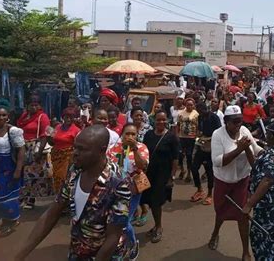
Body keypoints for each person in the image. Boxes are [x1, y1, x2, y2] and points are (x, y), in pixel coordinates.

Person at [15, 125, 133, 261]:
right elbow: (52, 213)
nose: (74, 153)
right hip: (77, 252)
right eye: (75, 147)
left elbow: (113, 236)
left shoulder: (119, 183)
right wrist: (21, 253)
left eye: (82, 149)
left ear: (101, 151)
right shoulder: (75, 171)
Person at [208, 105, 262, 261]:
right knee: (221, 212)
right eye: (235, 121)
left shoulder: (244, 131)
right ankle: (215, 233)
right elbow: (217, 161)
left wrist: (265, 153)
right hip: (224, 181)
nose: (238, 124)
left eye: (240, 121)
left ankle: (246, 251)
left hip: (242, 181)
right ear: (226, 122)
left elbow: (255, 148)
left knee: (243, 215)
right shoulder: (218, 135)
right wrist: (239, 149)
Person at [243, 118, 274, 261]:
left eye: (269, 132)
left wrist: (249, 204)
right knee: (272, 241)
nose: (267, 134)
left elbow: (267, 180)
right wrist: (246, 149)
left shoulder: (272, 155)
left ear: (272, 135)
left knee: (262, 243)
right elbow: (258, 170)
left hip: (270, 207)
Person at [107, 123, 149, 258]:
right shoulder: (114, 149)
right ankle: (119, 246)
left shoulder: (142, 148)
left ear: (137, 136)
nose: (130, 136)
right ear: (122, 135)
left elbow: (143, 166)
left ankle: (132, 244)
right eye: (127, 134)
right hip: (116, 191)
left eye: (133, 134)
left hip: (134, 190)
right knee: (115, 220)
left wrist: (134, 149)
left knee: (125, 221)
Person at [0, 100, 25, 237]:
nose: (1, 118)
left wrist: (18, 170)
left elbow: (21, 151)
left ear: (8, 116)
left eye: (4, 115)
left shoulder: (13, 131)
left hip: (9, 169)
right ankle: (6, 220)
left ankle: (12, 221)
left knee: (7, 197)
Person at [141, 111, 180, 243]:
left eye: (163, 120)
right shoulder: (149, 135)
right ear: (154, 121)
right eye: (158, 120)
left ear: (167, 121)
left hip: (163, 175)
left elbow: (175, 159)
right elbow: (144, 152)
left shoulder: (171, 137)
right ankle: (156, 225)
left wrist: (171, 177)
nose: (161, 122)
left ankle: (158, 227)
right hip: (149, 173)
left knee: (156, 202)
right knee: (149, 201)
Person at [17, 95, 53, 209]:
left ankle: (31, 199)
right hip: (23, 147)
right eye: (31, 105)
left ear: (40, 106)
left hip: (35, 148)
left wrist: (39, 152)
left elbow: (45, 135)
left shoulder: (43, 117)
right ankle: (22, 196)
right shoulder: (24, 116)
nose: (33, 107)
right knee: (22, 173)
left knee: (32, 175)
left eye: (36, 105)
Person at [190, 103, 221, 205]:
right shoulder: (200, 117)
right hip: (202, 145)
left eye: (203, 111)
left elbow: (219, 132)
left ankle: (209, 195)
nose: (201, 113)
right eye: (200, 111)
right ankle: (199, 190)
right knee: (194, 168)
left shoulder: (214, 118)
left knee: (209, 172)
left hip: (212, 147)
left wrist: (210, 140)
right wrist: (198, 138)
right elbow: (200, 131)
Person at [50, 108, 81, 194]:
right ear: (63, 117)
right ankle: (57, 196)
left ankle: (62, 196)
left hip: (67, 158)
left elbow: (77, 146)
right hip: (56, 157)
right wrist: (48, 134)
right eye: (66, 117)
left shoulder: (76, 130)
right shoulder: (57, 127)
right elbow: (51, 141)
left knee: (63, 177)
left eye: (71, 117)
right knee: (55, 176)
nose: (68, 119)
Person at [177, 98, 199, 182]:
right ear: (185, 105)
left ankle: (189, 173)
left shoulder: (196, 114)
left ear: (193, 105)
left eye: (191, 105)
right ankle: (182, 170)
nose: (189, 106)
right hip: (182, 137)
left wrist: (197, 137)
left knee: (189, 155)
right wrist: (176, 135)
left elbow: (198, 126)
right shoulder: (181, 113)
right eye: (188, 104)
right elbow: (178, 124)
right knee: (180, 155)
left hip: (191, 137)